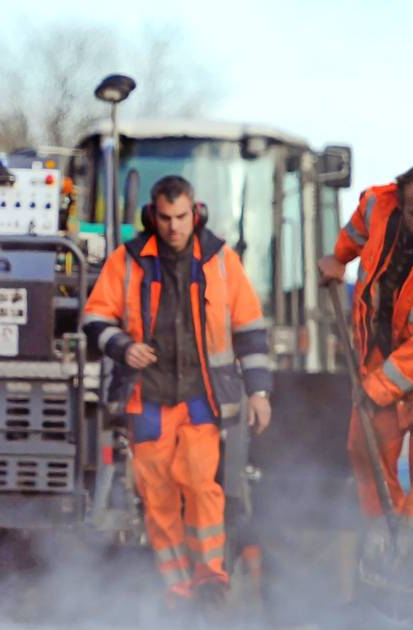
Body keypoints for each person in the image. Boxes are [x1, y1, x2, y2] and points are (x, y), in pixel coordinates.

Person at [84, 175, 272, 607]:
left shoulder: (222, 260)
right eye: (165, 218)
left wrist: (259, 393)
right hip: (145, 398)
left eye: (181, 217)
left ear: (196, 212)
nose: (173, 227)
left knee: (200, 482)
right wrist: (123, 347)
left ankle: (210, 578)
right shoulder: (126, 260)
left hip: (201, 396)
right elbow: (95, 319)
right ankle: (178, 588)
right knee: (158, 496)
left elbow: (250, 329)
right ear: (153, 215)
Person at [318, 164, 413, 603]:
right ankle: (387, 549)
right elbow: (353, 237)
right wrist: (337, 259)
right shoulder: (377, 206)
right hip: (379, 360)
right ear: (401, 201)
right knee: (363, 450)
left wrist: (382, 386)